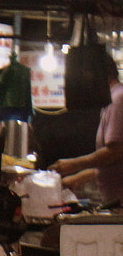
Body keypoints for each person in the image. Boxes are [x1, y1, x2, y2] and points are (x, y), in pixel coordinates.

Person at [52, 43, 123, 204]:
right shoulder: (112, 99)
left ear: (92, 75)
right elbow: (115, 164)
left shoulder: (118, 99)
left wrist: (73, 164)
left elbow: (116, 152)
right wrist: (79, 177)